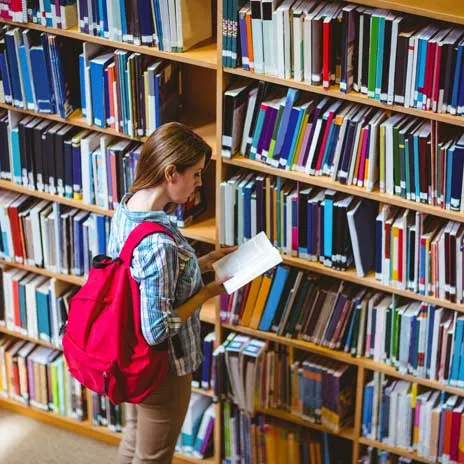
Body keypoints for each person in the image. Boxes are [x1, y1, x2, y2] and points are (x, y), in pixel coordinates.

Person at [109, 122, 232, 464]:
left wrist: (202, 262)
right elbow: (158, 329)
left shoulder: (129, 207)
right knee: (154, 456)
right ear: (170, 173)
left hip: (129, 353)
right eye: (195, 174)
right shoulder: (160, 243)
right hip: (162, 368)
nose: (199, 183)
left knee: (135, 441)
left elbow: (143, 280)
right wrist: (206, 293)